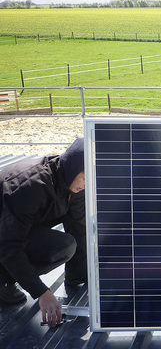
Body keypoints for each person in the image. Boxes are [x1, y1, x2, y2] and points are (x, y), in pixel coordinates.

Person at [0, 137, 87, 327]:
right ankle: (3, 279)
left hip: (16, 229)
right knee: (62, 246)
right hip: (5, 237)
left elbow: (78, 227)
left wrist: (85, 275)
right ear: (73, 166)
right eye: (85, 175)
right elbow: (8, 245)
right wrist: (41, 292)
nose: (87, 183)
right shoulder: (29, 186)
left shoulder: (73, 183)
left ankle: (75, 274)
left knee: (68, 245)